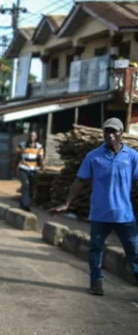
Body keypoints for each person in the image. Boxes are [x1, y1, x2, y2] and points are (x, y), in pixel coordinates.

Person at [51, 118, 138, 296]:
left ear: (122, 133)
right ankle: (96, 283)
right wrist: (67, 203)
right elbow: (80, 181)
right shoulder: (93, 156)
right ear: (103, 133)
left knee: (134, 252)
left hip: (125, 215)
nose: (111, 135)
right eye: (107, 131)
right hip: (100, 214)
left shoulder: (132, 156)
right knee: (96, 250)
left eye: (114, 131)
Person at [13, 131, 44, 212]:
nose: (31, 138)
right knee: (26, 184)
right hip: (23, 168)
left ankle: (23, 203)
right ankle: (26, 205)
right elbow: (16, 158)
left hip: (33, 170)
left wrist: (42, 167)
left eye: (33, 136)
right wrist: (15, 169)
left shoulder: (39, 147)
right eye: (30, 136)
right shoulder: (22, 145)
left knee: (31, 188)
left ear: (36, 137)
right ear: (28, 137)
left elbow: (41, 158)